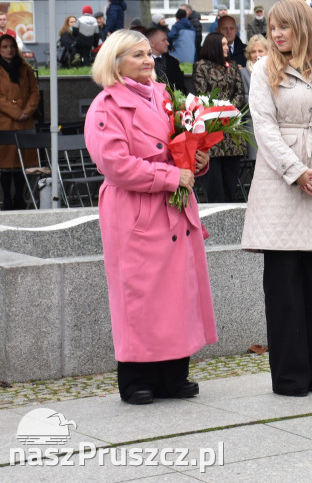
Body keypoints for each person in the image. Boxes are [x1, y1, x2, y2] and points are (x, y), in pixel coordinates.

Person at [84, 30, 215, 404]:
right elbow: (115, 165)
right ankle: (136, 378)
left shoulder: (164, 96)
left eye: (148, 54)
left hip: (173, 210)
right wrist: (171, 176)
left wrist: (197, 161)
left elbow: (183, 145)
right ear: (115, 61)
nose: (148, 61)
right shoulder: (106, 106)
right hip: (136, 212)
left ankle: (174, 375)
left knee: (178, 294)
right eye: (137, 55)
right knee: (139, 296)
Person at [241, 0, 312, 397]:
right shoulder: (264, 70)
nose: (276, 35)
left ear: (303, 27)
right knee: (284, 285)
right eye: (273, 28)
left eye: (284, 27)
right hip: (280, 186)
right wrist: (296, 172)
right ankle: (290, 376)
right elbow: (265, 128)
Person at [192, 32, 247, 203]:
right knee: (215, 183)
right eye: (223, 44)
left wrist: (230, 110)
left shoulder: (232, 65)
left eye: (226, 44)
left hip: (232, 129)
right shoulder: (201, 66)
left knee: (231, 180)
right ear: (213, 45)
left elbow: (240, 92)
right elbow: (202, 93)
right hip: (212, 127)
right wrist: (219, 110)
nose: (226, 47)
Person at [0, 34, 39, 210]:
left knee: (22, 163)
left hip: (25, 122)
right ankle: (6, 197)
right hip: (5, 122)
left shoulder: (25, 69)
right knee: (6, 163)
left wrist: (27, 111)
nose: (9, 50)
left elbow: (34, 92)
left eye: (12, 46)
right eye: (5, 47)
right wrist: (16, 112)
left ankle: (19, 197)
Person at [146, 26, 187, 93]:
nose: (168, 43)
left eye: (167, 40)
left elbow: (181, 88)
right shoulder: (142, 63)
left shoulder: (173, 62)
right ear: (151, 43)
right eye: (163, 40)